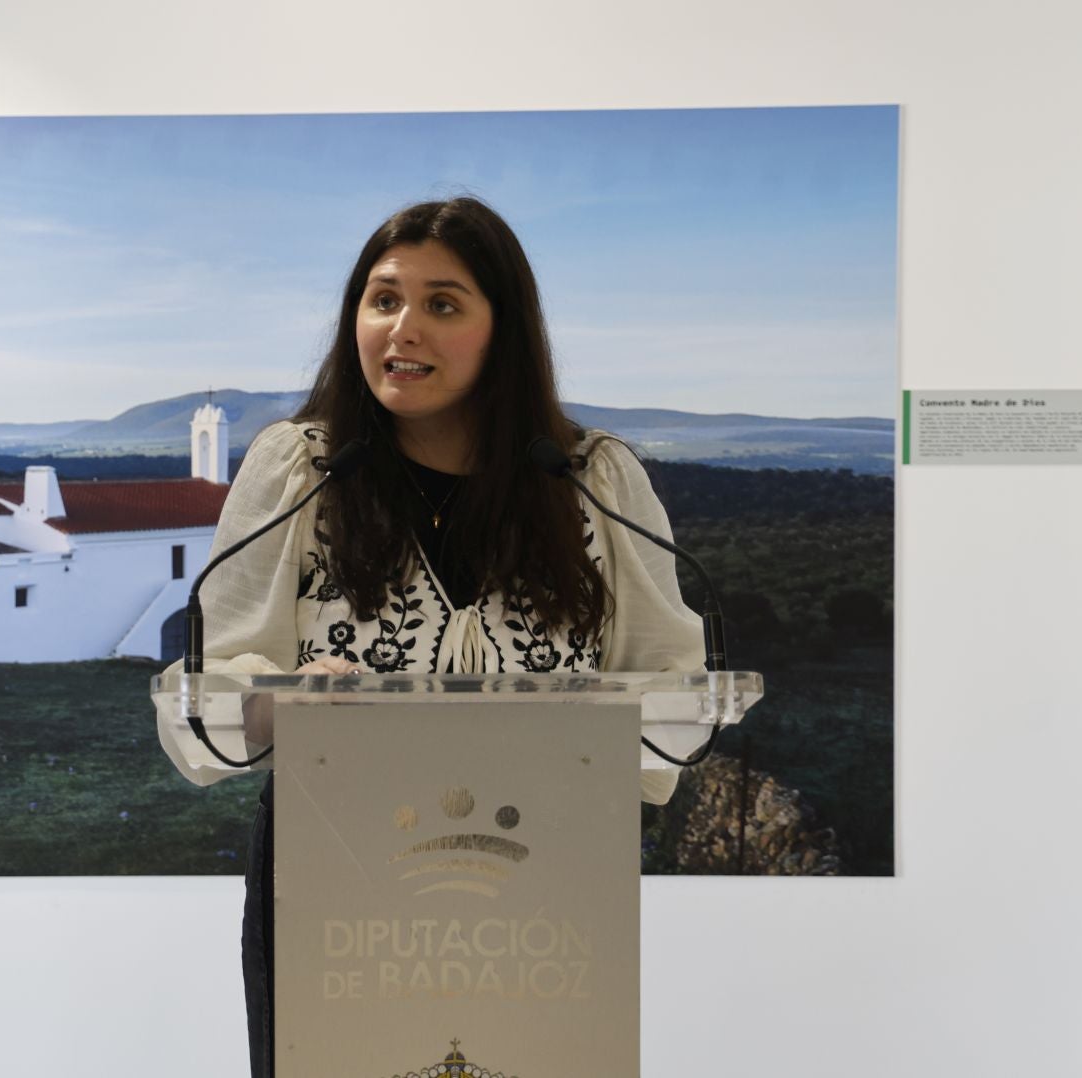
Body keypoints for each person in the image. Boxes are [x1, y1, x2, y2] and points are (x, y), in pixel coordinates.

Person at [154, 196, 705, 1078]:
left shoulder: (594, 479)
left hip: (549, 873)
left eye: (443, 304)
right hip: (331, 878)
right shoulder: (299, 468)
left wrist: (593, 721)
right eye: (383, 300)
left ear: (503, 331)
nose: (403, 328)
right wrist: (276, 702)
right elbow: (210, 692)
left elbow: (677, 687)